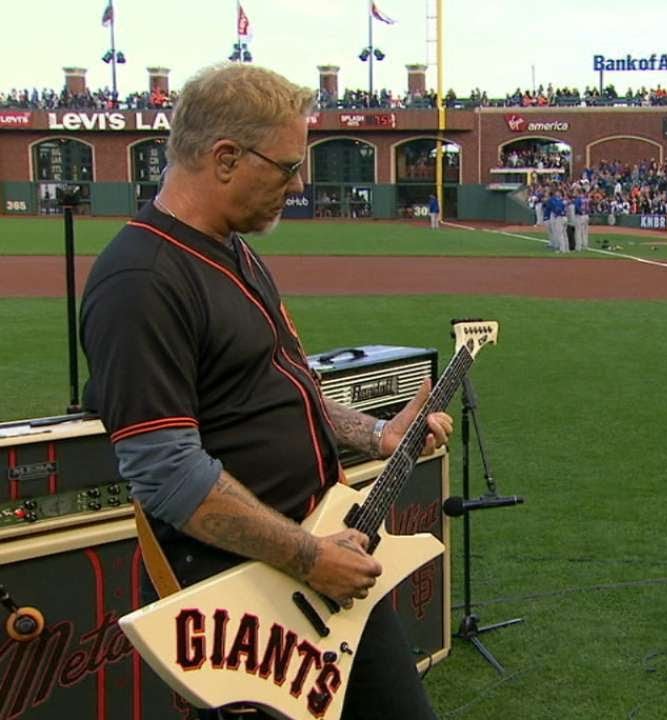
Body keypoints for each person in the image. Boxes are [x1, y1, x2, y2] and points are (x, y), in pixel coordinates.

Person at [78, 63, 453, 720]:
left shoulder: (233, 248)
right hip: (250, 599)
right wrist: (309, 557)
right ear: (225, 158)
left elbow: (279, 389)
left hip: (324, 562)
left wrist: (374, 434)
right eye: (287, 167)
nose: (299, 185)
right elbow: (167, 475)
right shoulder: (140, 280)